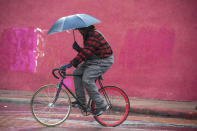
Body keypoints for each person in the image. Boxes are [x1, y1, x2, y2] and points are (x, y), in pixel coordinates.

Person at [60, 25, 113, 116]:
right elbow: (88, 52)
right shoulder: (88, 35)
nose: (79, 32)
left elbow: (87, 52)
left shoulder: (94, 36)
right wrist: (79, 49)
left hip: (103, 61)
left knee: (87, 80)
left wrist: (72, 63)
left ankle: (101, 105)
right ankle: (81, 101)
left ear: (85, 29)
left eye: (80, 30)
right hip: (94, 59)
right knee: (76, 73)